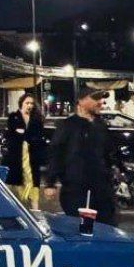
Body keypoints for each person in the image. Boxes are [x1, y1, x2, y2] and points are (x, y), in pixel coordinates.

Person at [43, 86, 116, 226]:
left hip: (102, 191)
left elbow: (108, 154)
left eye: (101, 99)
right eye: (96, 98)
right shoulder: (68, 126)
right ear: (81, 101)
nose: (100, 102)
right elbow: (55, 154)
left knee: (107, 229)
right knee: (81, 230)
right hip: (76, 192)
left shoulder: (101, 126)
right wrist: (50, 183)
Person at [3, 92, 48, 209]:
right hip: (17, 156)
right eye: (27, 103)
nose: (30, 105)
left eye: (32, 103)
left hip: (32, 157)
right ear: (21, 104)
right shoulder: (14, 116)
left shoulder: (37, 119)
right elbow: (11, 134)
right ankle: (16, 210)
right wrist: (21, 134)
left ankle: (35, 211)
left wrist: (23, 134)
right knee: (15, 186)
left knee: (34, 184)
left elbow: (37, 136)